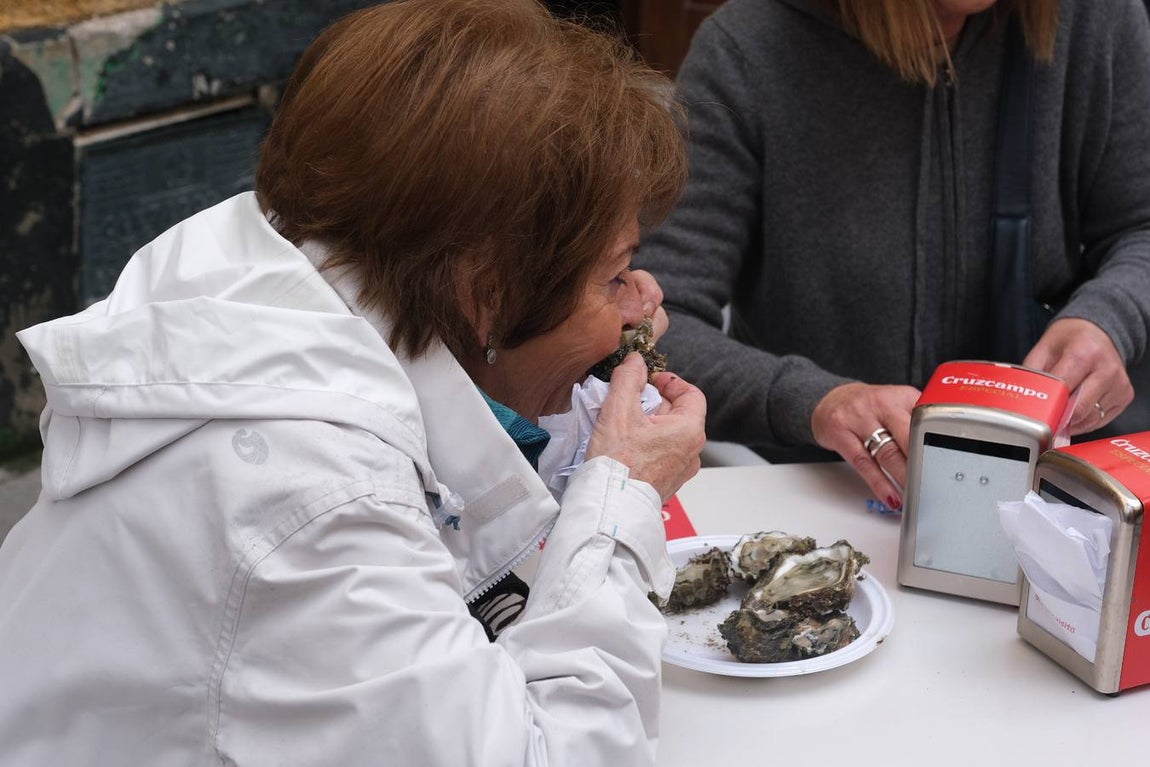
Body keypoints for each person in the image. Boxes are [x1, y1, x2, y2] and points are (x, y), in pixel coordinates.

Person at [0, 1, 706, 764]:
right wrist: (621, 499)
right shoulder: (315, 498)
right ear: (488, 292)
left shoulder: (284, 294)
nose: (643, 303)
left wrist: (579, 431)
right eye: (614, 275)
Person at [634, 0, 1150, 510]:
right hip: (824, 497)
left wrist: (1109, 319)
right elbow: (652, 321)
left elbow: (1139, 228)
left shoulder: (1098, 20)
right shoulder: (747, 49)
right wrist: (816, 401)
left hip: (1064, 501)